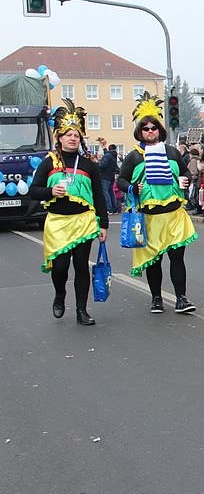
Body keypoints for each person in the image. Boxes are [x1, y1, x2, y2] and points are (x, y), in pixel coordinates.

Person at [29, 98, 108, 325]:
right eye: (68, 135)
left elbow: (99, 195)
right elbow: (33, 191)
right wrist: (50, 191)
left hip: (83, 221)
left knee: (81, 266)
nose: (73, 138)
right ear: (59, 137)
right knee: (60, 267)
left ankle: (82, 311)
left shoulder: (88, 164)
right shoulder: (49, 163)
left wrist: (103, 224)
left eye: (76, 135)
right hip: (58, 222)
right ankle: (60, 294)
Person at [117, 91, 197, 314]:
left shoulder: (171, 152)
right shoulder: (134, 156)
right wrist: (132, 187)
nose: (150, 131)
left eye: (153, 128)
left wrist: (186, 180)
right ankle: (156, 298)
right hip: (149, 218)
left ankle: (181, 298)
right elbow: (121, 180)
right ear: (140, 132)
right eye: (146, 128)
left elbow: (185, 172)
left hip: (174, 215)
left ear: (159, 130)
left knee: (177, 258)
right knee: (154, 260)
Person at [98, 139, 119, 214]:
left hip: (105, 176)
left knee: (105, 192)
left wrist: (98, 164)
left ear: (109, 148)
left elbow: (102, 165)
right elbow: (107, 154)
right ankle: (114, 208)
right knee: (111, 192)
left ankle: (109, 209)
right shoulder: (113, 155)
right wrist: (104, 147)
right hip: (111, 176)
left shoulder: (107, 156)